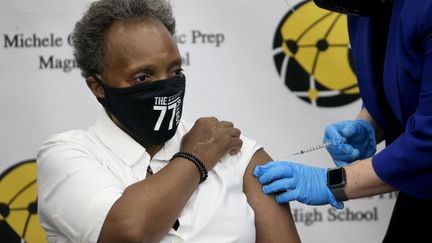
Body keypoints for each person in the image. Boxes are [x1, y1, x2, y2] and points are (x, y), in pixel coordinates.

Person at [36, 0, 301, 242]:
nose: (166, 86)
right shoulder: (67, 155)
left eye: (175, 71)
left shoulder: (237, 155)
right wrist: (197, 156)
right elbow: (127, 231)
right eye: (143, 78)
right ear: (97, 86)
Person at [254, 0, 432, 242]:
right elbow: (401, 80)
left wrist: (331, 182)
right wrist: (370, 122)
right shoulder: (361, 7)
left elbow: (428, 145)